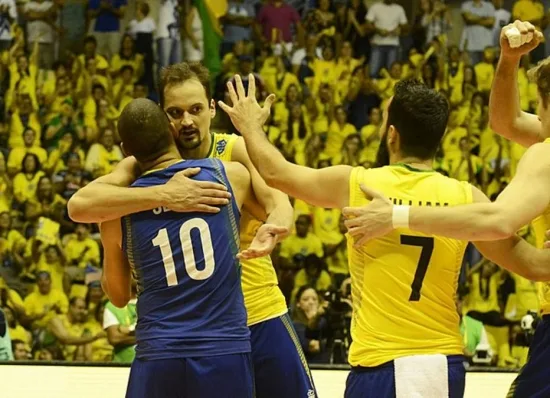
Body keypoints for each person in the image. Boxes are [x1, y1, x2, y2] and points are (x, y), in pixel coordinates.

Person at [218, 73, 550, 397]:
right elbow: (533, 264)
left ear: (392, 135)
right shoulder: (467, 197)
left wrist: (249, 125)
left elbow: (277, 172)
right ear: (439, 138)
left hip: (384, 362)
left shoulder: (358, 183)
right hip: (443, 361)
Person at [68, 62, 316, 398]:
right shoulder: (139, 166)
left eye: (196, 109)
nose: (186, 121)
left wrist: (274, 227)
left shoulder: (233, 149)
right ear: (161, 115)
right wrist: (165, 194)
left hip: (259, 312)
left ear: (212, 109)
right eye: (175, 112)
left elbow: (280, 202)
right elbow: (81, 203)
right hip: (204, 333)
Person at [337, 21, 550, 398]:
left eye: (538, 107)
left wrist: (398, 215)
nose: (535, 120)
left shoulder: (545, 152)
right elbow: (505, 122)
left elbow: (498, 221)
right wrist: (508, 61)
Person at [100, 98, 259, 398]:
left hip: (159, 352)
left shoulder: (115, 208)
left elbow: (119, 297)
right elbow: (273, 197)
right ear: (172, 131)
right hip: (222, 348)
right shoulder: (230, 176)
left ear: (126, 151)